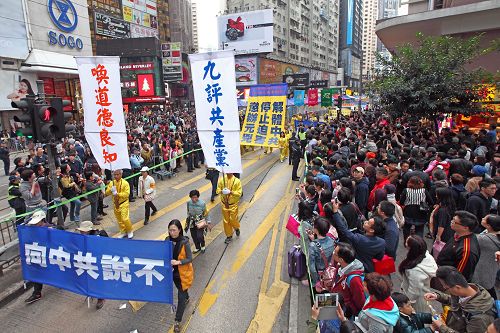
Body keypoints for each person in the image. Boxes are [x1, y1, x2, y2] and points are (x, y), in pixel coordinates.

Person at [424, 266, 495, 333]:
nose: (444, 288)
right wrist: (438, 296)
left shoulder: (480, 318)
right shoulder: (467, 290)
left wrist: (441, 327)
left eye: (445, 288)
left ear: (457, 287)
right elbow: (456, 301)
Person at [329, 201, 386, 273]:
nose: (365, 221)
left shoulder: (359, 239)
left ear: (371, 230)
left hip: (356, 268)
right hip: (369, 268)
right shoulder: (382, 242)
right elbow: (379, 257)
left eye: (368, 223)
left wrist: (335, 213)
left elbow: (344, 230)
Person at [166, 219, 194, 333]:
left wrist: (178, 262)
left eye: (174, 230)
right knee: (182, 290)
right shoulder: (167, 240)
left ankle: (177, 321)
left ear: (179, 230)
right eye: (170, 230)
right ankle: (187, 296)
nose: (171, 232)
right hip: (171, 273)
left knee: (180, 297)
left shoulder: (184, 242)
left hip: (182, 274)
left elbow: (189, 258)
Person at [436, 211, 480, 282]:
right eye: (452, 219)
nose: (451, 222)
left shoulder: (467, 250)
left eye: (454, 221)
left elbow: (460, 276)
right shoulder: (458, 234)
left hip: (447, 282)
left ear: (465, 228)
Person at [398, 235, 437, 313]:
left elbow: (414, 291)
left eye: (407, 242)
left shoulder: (415, 270)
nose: (405, 242)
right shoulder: (425, 255)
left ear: (411, 249)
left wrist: (407, 304)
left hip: (417, 302)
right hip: (423, 294)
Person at [76, 221, 108, 309]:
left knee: (98, 279)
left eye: (83, 231)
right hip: (88, 261)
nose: (81, 232)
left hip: (98, 262)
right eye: (81, 230)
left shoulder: (98, 236)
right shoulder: (82, 237)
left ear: (89, 230)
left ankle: (101, 297)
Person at [331, 242, 366, 318]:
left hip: (345, 309)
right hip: (337, 298)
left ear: (341, 259)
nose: (332, 253)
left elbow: (360, 302)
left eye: (334, 252)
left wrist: (351, 312)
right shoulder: (343, 264)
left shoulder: (354, 279)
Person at [471, 214, 500, 300]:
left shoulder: (483, 239)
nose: (482, 218)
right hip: (491, 272)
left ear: (489, 226)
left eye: (484, 219)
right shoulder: (494, 236)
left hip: (480, 272)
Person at [24, 210, 49, 304]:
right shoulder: (32, 230)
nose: (35, 225)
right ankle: (37, 293)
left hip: (50, 256)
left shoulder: (50, 229)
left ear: (43, 220)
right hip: (39, 256)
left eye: (37, 223)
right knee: (37, 272)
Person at [400, 176, 433, 241]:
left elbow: (401, 202)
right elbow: (431, 201)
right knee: (419, 229)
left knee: (407, 227)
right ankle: (418, 242)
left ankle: (407, 241)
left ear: (409, 182)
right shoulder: (424, 190)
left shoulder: (406, 190)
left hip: (409, 210)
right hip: (421, 211)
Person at [105, 169, 133, 239]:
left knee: (125, 218)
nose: (116, 176)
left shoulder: (125, 183)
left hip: (124, 203)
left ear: (121, 174)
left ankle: (129, 230)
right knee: (119, 220)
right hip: (115, 204)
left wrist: (118, 194)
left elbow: (127, 194)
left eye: (117, 174)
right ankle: (123, 231)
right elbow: (106, 193)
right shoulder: (112, 183)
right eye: (115, 175)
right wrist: (110, 189)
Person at [307, 217, 335, 285]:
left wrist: (316, 281)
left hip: (319, 273)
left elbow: (312, 267)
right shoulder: (332, 240)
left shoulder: (313, 246)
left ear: (316, 230)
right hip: (328, 270)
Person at [216, 173, 242, 244]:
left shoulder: (237, 181)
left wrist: (231, 192)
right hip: (224, 204)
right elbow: (217, 190)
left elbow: (239, 193)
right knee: (226, 221)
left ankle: (236, 227)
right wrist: (222, 191)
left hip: (233, 205)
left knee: (232, 219)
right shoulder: (222, 180)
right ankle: (229, 236)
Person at [186, 189, 211, 254]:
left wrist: (208, 222)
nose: (194, 199)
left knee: (199, 235)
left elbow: (206, 213)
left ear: (198, 197)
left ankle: (202, 246)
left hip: (200, 221)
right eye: (192, 197)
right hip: (192, 221)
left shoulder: (202, 203)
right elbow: (188, 211)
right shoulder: (189, 202)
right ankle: (197, 247)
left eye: (195, 197)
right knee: (193, 235)